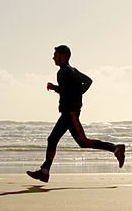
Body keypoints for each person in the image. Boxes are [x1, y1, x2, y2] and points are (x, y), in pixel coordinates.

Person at [27, 45, 125, 183]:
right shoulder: (72, 70)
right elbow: (87, 82)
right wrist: (78, 93)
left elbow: (67, 90)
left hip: (70, 112)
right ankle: (44, 171)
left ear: (64, 56)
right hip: (69, 112)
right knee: (55, 139)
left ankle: (116, 148)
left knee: (80, 141)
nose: (53, 57)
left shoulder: (63, 72)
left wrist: (55, 88)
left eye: (56, 54)